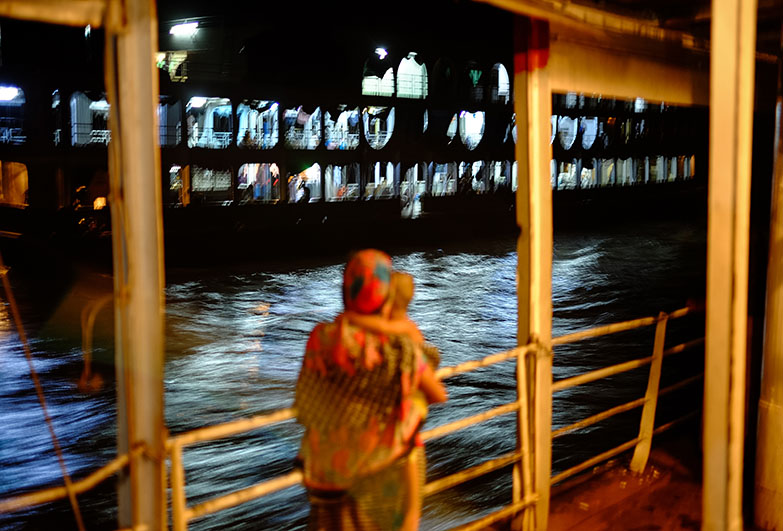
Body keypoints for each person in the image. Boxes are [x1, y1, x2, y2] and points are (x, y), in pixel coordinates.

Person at [294, 249, 447, 530]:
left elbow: (306, 395)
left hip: (325, 478)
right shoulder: (399, 346)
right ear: (386, 296)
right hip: (380, 475)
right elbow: (437, 394)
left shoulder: (321, 337)